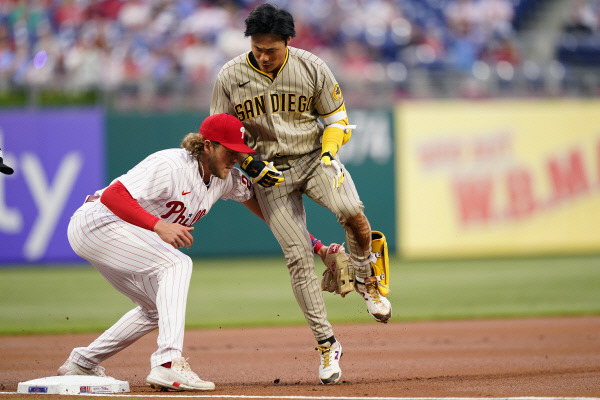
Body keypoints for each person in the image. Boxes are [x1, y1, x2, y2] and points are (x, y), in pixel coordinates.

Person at [56, 113, 332, 391]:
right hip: (98, 222)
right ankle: (167, 363)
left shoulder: (225, 179)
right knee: (176, 265)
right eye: (230, 151)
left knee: (155, 309)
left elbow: (272, 216)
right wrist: (158, 225)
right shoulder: (171, 165)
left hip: (121, 232)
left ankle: (82, 362)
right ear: (208, 146)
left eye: (240, 152)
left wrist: (316, 246)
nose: (236, 159)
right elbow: (113, 195)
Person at [210, 3, 392, 385]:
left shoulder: (312, 67)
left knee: (351, 209)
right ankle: (327, 344)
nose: (262, 54)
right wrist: (247, 164)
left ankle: (365, 278)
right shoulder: (230, 75)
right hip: (270, 173)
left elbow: (337, 118)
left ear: (288, 41)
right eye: (257, 47)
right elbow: (218, 132)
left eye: (270, 48)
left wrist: (329, 151)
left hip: (313, 158)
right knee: (296, 257)